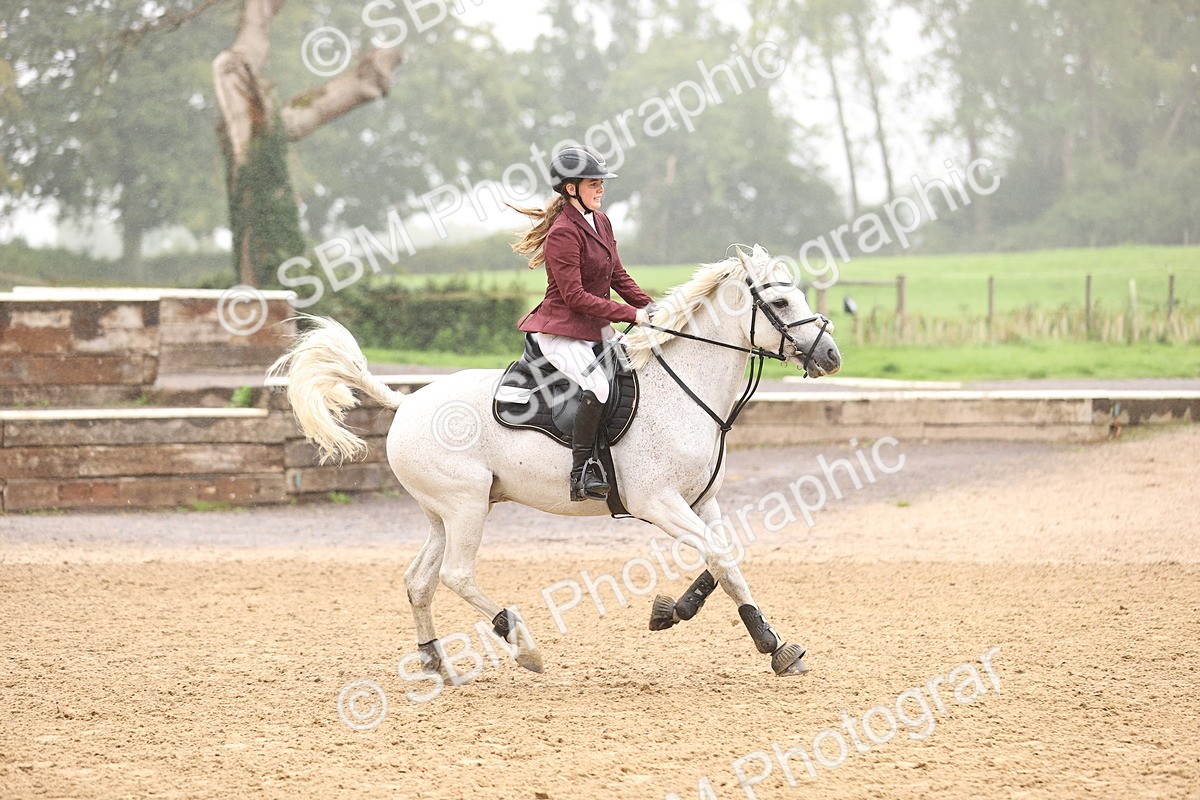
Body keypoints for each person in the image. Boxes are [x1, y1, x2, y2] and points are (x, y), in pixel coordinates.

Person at [510, 145, 655, 502]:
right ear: (571, 188)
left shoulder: (601, 221)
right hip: (561, 330)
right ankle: (582, 471)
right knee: (600, 387)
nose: (601, 189)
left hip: (593, 327)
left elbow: (618, 275)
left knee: (636, 369)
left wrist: (652, 306)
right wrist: (632, 314)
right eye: (594, 183)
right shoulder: (563, 232)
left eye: (602, 183)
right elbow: (574, 296)